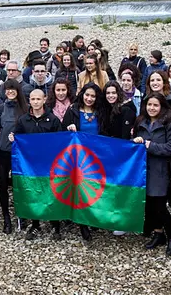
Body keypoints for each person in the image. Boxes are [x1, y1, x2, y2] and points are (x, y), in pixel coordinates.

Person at [10, 89, 63, 241]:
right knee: (33, 192)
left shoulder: (53, 120)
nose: (35, 102)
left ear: (44, 99)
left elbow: (60, 141)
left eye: (38, 99)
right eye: (32, 99)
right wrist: (13, 138)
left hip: (49, 166)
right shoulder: (23, 120)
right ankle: (35, 223)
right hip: (31, 166)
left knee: (52, 193)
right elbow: (18, 137)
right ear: (29, 101)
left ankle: (55, 224)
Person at [133, 93, 171, 257]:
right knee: (150, 205)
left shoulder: (170, 123)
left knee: (160, 206)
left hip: (161, 170)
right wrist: (137, 141)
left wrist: (150, 145)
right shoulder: (141, 121)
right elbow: (133, 141)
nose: (151, 108)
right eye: (149, 105)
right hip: (143, 169)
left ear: (162, 107)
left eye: (155, 105)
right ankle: (158, 233)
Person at [62, 82, 110, 241]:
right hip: (78, 159)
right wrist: (69, 128)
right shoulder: (73, 110)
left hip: (96, 158)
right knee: (81, 190)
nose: (89, 98)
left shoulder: (101, 112)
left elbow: (105, 134)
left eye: (93, 96)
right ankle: (83, 224)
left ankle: (93, 217)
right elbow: (62, 133)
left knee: (94, 189)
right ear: (82, 94)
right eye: (87, 95)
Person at [0, 79, 29, 234]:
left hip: (20, 154)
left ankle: (22, 214)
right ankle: (6, 216)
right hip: (3, 152)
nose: (10, 92)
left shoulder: (25, 109)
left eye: (13, 89)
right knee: (3, 184)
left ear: (18, 91)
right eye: (7, 89)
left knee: (20, 184)